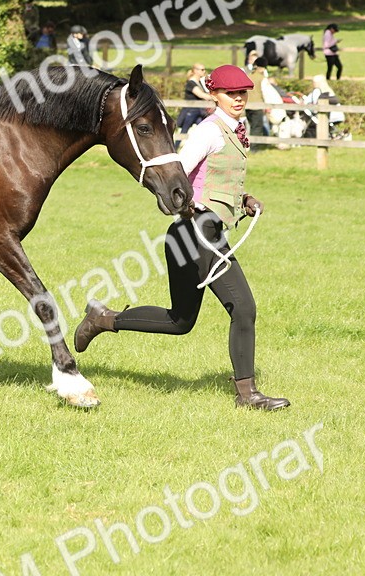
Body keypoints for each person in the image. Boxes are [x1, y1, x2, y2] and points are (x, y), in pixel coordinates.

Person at [74, 64, 290, 411]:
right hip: (195, 233)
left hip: (202, 233)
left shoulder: (234, 129)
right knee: (244, 308)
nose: (238, 99)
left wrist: (244, 200)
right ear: (214, 95)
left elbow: (217, 181)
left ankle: (103, 319)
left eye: (242, 93)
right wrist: (190, 209)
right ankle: (247, 394)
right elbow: (177, 177)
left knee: (180, 321)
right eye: (230, 93)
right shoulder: (208, 132)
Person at [303, 75, 347, 139]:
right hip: (338, 116)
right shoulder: (329, 91)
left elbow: (314, 104)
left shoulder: (317, 91)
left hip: (327, 116)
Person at [175, 63, 210, 140]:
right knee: (184, 131)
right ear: (195, 71)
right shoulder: (191, 83)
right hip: (191, 112)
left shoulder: (199, 82)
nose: (204, 71)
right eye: (202, 70)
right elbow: (201, 95)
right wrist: (215, 97)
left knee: (205, 129)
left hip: (199, 111)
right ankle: (176, 146)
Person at [246, 57, 270, 146]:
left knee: (251, 125)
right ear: (263, 68)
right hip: (258, 106)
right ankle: (254, 148)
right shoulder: (262, 78)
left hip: (247, 105)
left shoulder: (248, 76)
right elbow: (265, 93)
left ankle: (249, 145)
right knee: (257, 127)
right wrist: (267, 106)